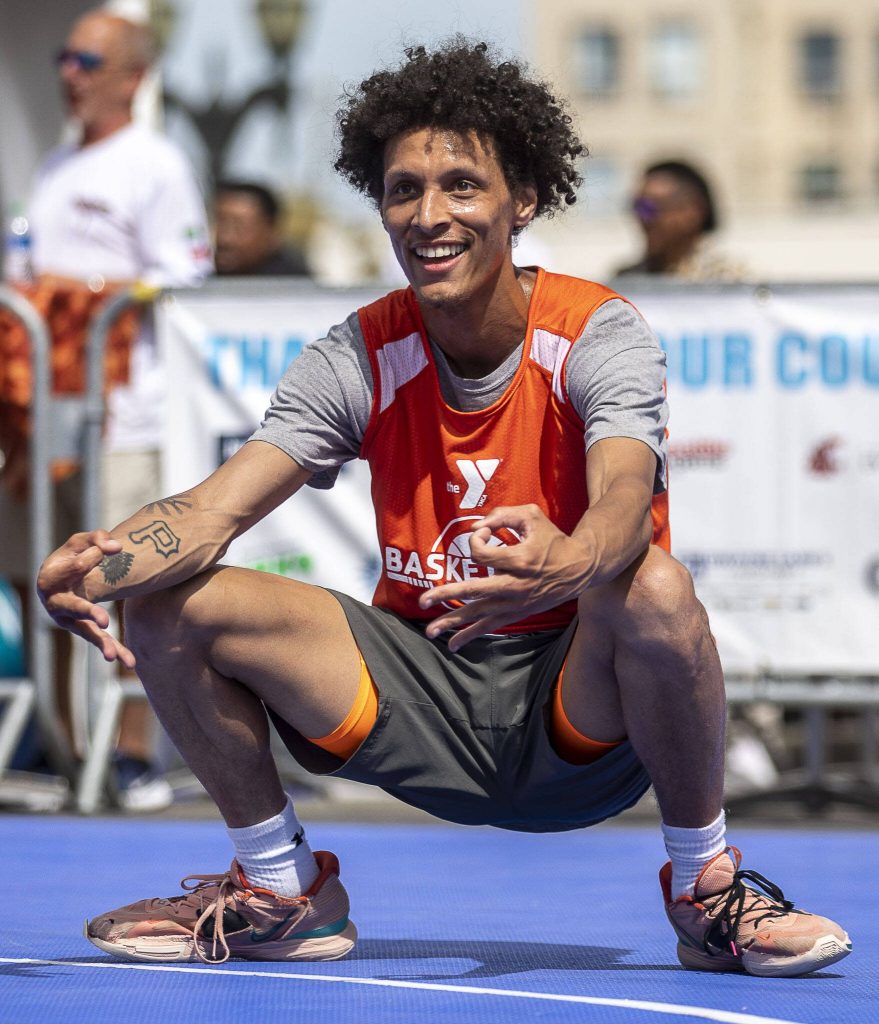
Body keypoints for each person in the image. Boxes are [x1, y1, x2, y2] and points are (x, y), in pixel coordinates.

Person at [38, 41, 849, 976]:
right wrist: (101, 563)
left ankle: (706, 890)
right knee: (170, 597)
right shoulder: (360, 350)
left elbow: (625, 493)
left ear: (523, 201)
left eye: (462, 185)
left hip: (574, 711)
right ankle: (282, 890)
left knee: (654, 588)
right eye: (402, 190)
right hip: (423, 686)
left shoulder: (597, 330)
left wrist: (572, 561)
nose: (429, 215)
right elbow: (216, 510)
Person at [20, 9, 212, 807]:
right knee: (45, 579)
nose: (70, 72)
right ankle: (67, 754)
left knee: (128, 580)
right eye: (65, 57)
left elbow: (186, 272)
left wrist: (88, 301)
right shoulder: (57, 164)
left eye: (88, 59)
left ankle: (133, 752)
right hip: (44, 413)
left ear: (131, 76)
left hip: (125, 415)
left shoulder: (156, 164)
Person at [615, 160, 746, 282]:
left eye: (651, 208)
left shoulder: (727, 280)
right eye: (639, 207)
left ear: (692, 211)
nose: (644, 218)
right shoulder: (628, 280)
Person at [213, 180, 309, 276]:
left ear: (272, 232)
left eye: (239, 227)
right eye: (218, 223)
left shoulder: (291, 283)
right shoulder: (205, 275)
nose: (224, 239)